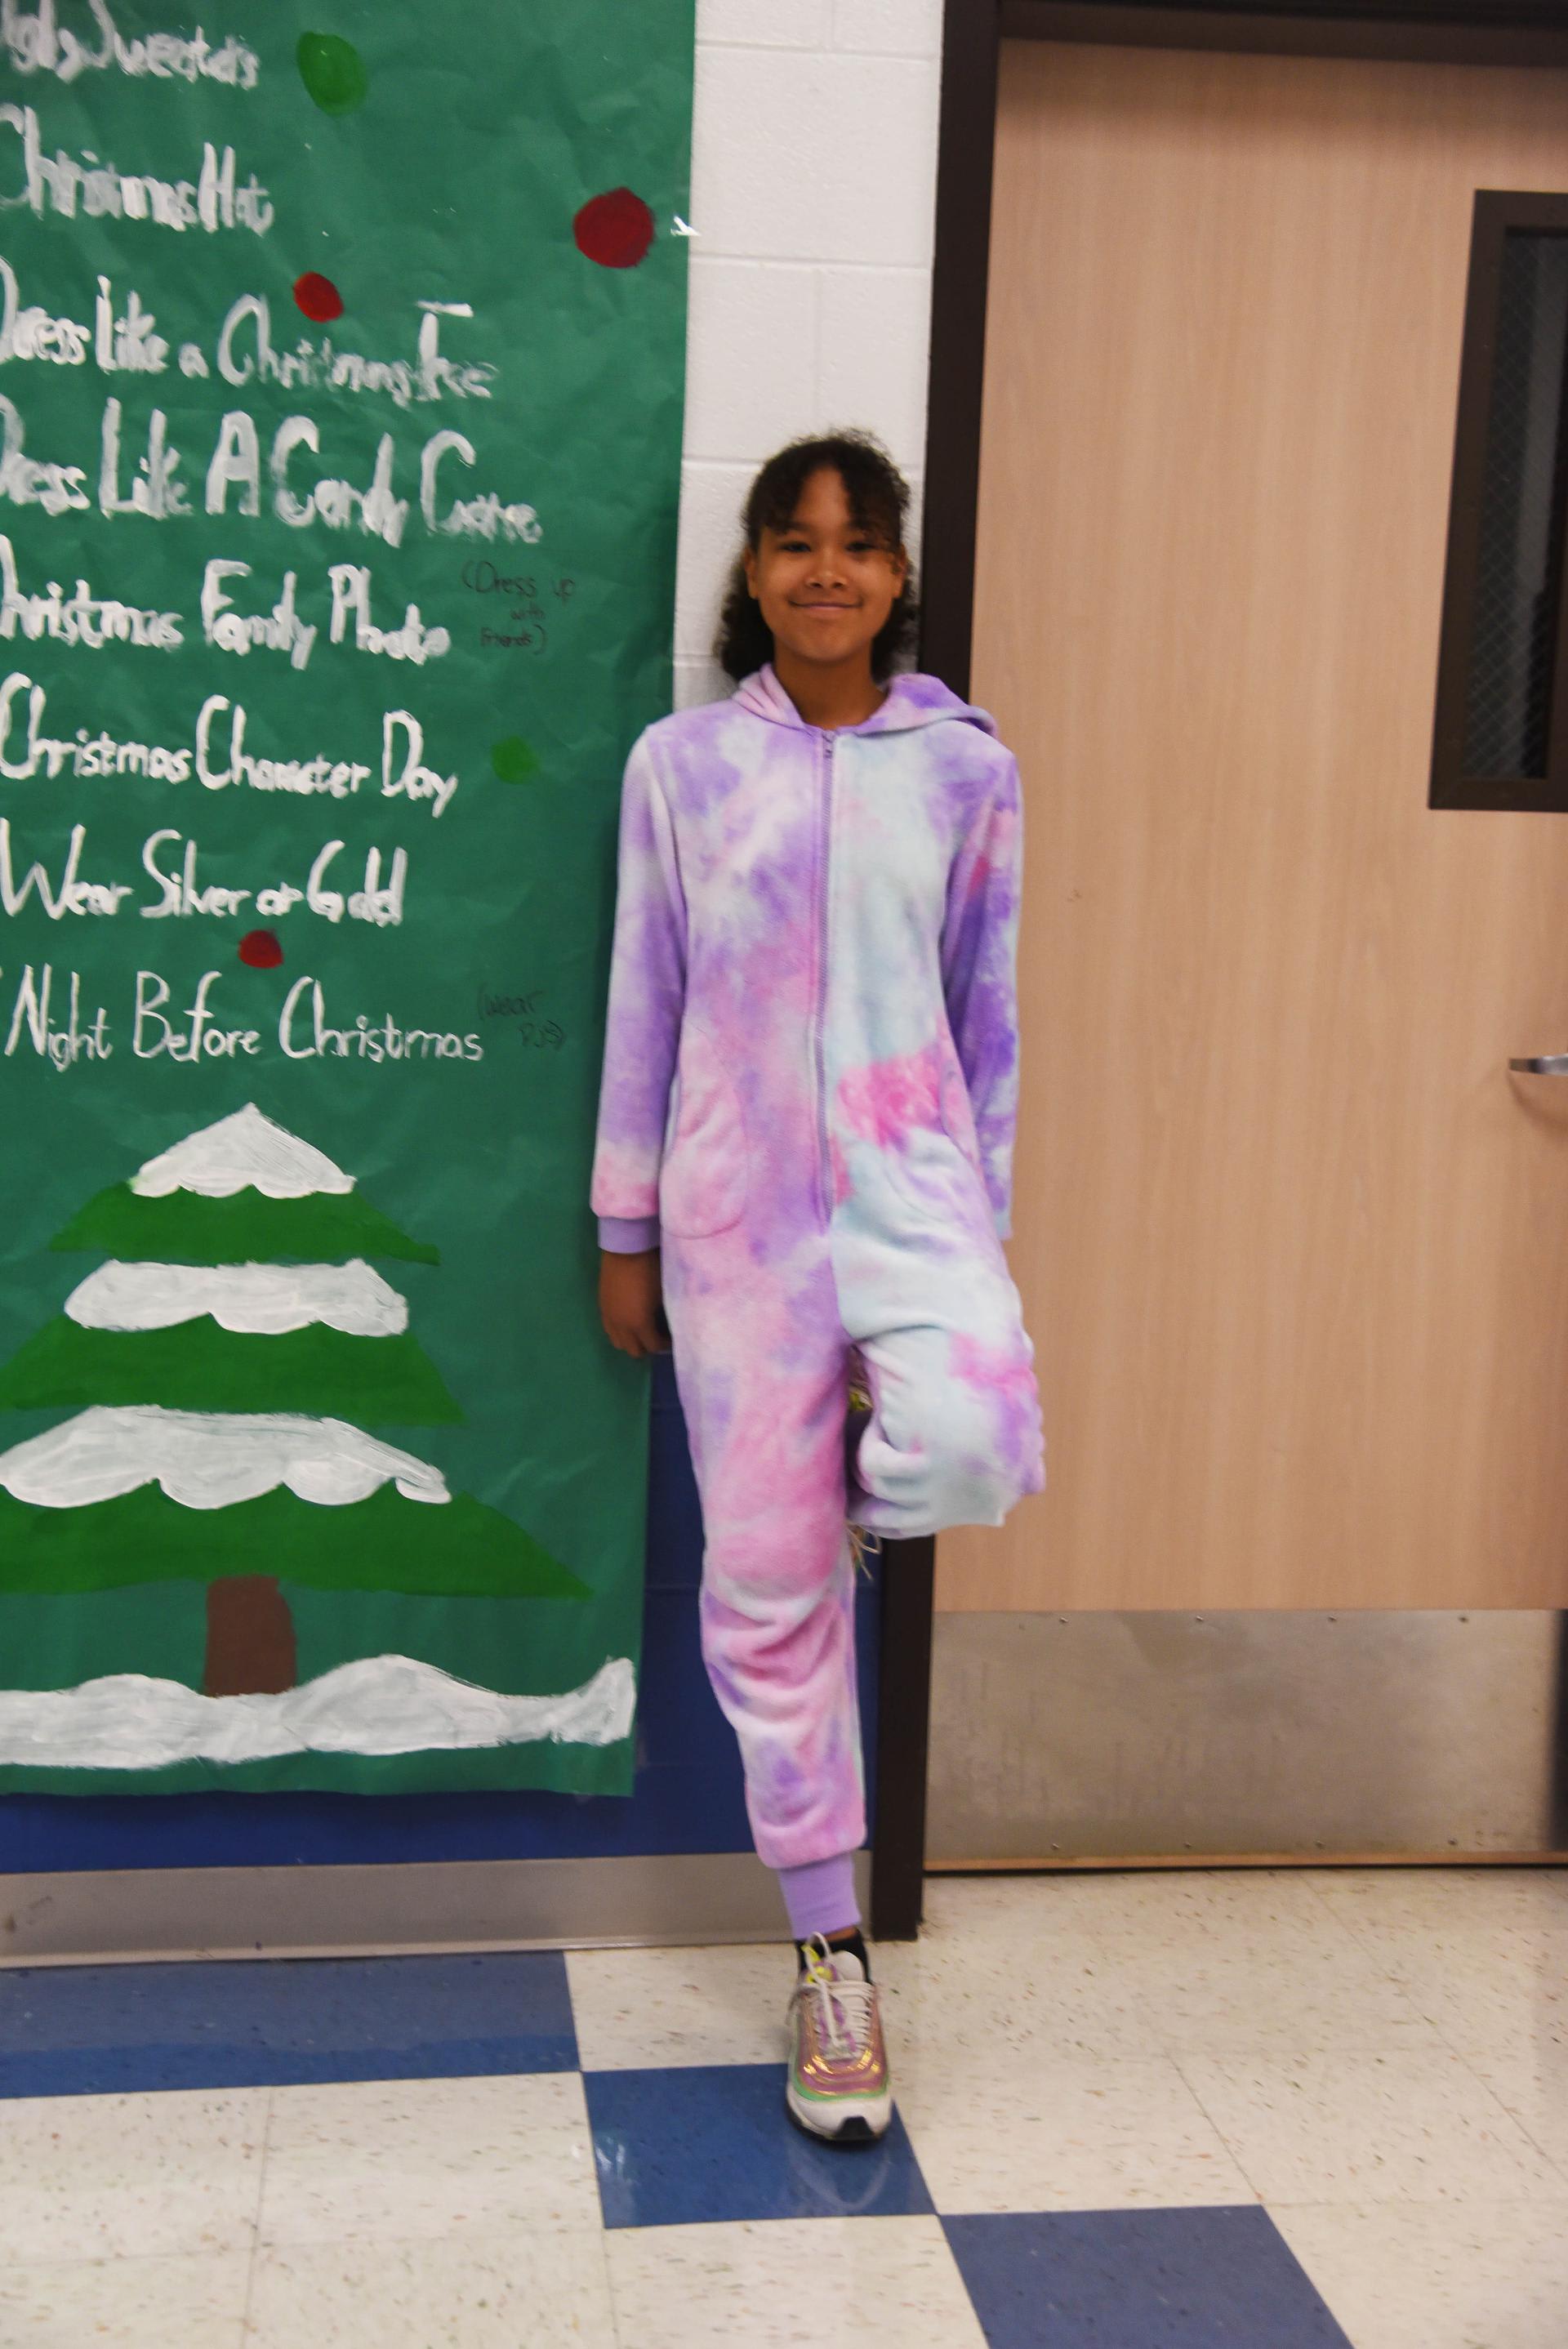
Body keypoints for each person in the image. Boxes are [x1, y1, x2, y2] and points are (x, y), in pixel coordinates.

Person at [592, 430, 1044, 2143]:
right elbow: (646, 989)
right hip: (737, 1224)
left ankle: (847, 1478)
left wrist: (980, 1233)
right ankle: (830, 1955)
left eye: (857, 545)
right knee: (768, 1595)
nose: (827, 571)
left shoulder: (968, 771)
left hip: (914, 1190)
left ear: (898, 573)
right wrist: (626, 1226)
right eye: (796, 542)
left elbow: (988, 1012)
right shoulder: (684, 767)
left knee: (978, 1437)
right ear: (758, 569)